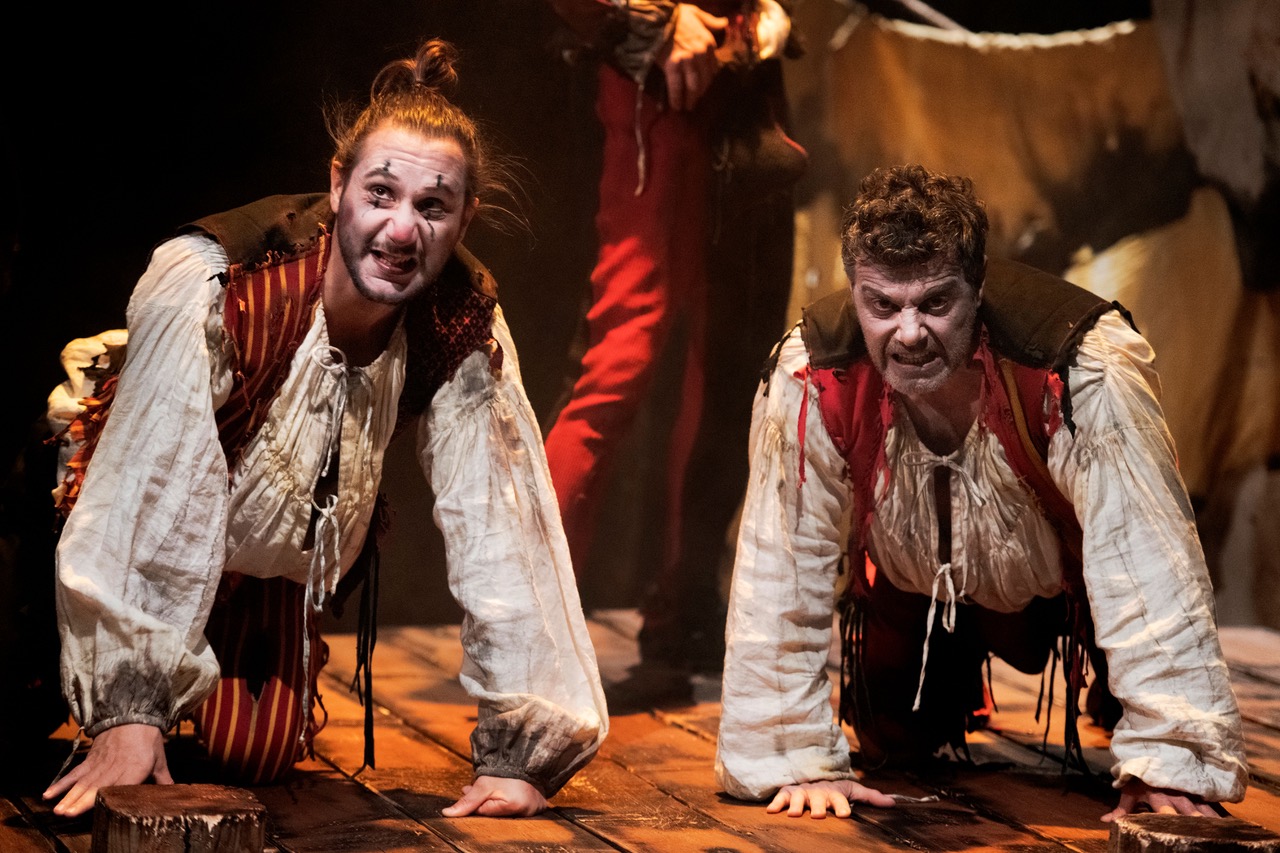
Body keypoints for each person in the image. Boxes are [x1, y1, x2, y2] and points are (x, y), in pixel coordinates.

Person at [41, 39, 608, 819]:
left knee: (257, 752)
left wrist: (524, 751)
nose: (402, 230)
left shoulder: (462, 317)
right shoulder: (218, 277)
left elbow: (504, 523)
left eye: (432, 207)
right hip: (105, 509)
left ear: (465, 217)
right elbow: (148, 478)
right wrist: (128, 705)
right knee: (46, 716)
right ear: (338, 183)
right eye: (381, 193)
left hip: (265, 560)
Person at [715, 164, 1248, 821]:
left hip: (1063, 590)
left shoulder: (1079, 366)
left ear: (978, 288)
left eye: (935, 303)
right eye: (883, 306)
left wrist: (1173, 757)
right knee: (891, 733)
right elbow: (781, 562)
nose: (909, 333)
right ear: (854, 292)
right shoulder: (812, 373)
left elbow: (1146, 555)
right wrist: (787, 758)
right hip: (911, 588)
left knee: (1140, 737)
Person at [541, 0, 806, 675]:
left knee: (730, 370)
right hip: (660, 99)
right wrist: (654, 22)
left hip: (743, 100)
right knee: (616, 366)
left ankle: (683, 609)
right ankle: (528, 622)